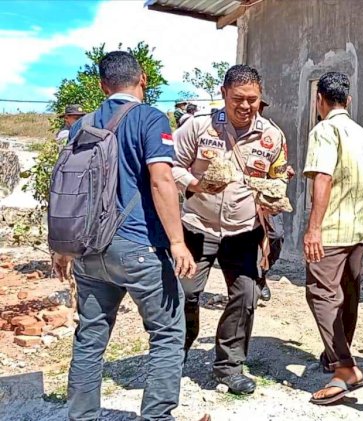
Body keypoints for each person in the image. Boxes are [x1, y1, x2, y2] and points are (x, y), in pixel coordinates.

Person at [51, 51, 197, 421]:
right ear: (143, 78)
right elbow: (162, 179)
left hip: (89, 249)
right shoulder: (150, 118)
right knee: (166, 335)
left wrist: (62, 246)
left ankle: (81, 415)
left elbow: (66, 187)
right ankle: (156, 417)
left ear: (103, 86)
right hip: (139, 247)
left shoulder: (82, 123)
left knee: (90, 337)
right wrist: (178, 242)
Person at [172, 65, 286, 395]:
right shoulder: (197, 127)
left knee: (246, 295)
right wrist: (195, 183)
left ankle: (229, 367)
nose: (246, 106)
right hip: (197, 227)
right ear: (224, 94)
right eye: (239, 99)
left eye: (253, 99)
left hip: (244, 230)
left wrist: (273, 196)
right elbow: (170, 165)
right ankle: (174, 355)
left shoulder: (272, 136)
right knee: (186, 293)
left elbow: (277, 176)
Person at [303, 71, 363, 405]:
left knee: (320, 292)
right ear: (347, 101)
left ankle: (344, 367)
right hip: (361, 227)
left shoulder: (324, 129)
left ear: (319, 99)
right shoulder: (362, 133)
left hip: (334, 226)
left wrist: (314, 227)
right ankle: (337, 356)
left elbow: (323, 177)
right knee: (347, 294)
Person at [255, 98, 295, 302]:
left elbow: (278, 168)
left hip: (268, 196)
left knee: (276, 236)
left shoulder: (273, 133)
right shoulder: (229, 132)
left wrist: (283, 174)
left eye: (258, 106)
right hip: (241, 195)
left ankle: (261, 275)